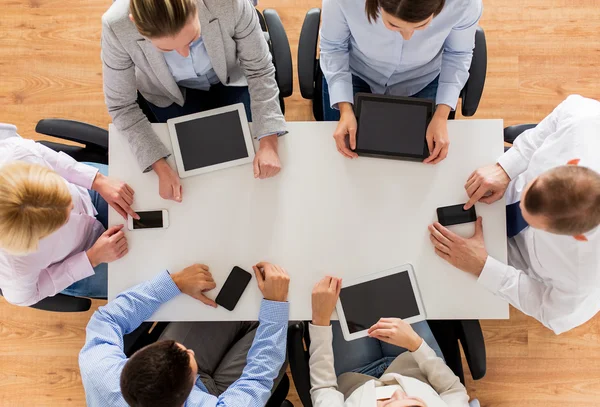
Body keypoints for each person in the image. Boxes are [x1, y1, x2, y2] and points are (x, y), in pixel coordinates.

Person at [428, 95, 600, 334]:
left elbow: (550, 311)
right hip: (499, 185)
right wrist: (507, 169)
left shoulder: (587, 276)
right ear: (570, 163)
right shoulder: (587, 121)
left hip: (511, 261)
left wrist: (483, 267)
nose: (520, 208)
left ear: (579, 236)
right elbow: (553, 123)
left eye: (535, 223)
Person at [102, 0, 287, 203]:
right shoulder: (116, 26)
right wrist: (159, 165)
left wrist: (269, 142)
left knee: (249, 165)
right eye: (166, 49)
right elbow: (121, 105)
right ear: (135, 24)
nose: (184, 53)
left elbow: (259, 70)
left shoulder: (227, 3)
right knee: (192, 174)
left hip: (230, 77)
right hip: (169, 94)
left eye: (192, 39)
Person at [79, 261, 290, 407]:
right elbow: (257, 380)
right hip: (219, 397)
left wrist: (174, 282)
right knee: (287, 321)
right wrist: (275, 305)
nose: (189, 350)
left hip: (184, 388)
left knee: (232, 306)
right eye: (189, 355)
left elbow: (106, 319)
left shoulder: (99, 369)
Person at [320, 0, 482, 164]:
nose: (407, 36)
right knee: (340, 156)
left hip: (423, 76)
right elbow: (334, 47)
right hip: (358, 71)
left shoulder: (464, 3)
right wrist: (345, 108)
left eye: (421, 25)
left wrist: (441, 115)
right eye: (393, 24)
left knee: (420, 160)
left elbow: (457, 54)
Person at [0, 123, 136, 306]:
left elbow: (53, 161)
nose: (72, 207)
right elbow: (28, 296)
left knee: (143, 190)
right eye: (60, 221)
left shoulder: (16, 153)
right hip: (78, 257)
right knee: (141, 284)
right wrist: (92, 258)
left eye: (63, 197)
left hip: (87, 190)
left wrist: (98, 180)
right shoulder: (12, 266)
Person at [309, 276, 470, 406]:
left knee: (336, 285)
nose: (399, 392)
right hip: (412, 360)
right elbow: (452, 389)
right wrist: (415, 343)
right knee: (395, 278)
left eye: (386, 403)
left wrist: (320, 321)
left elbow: (324, 387)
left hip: (355, 374)